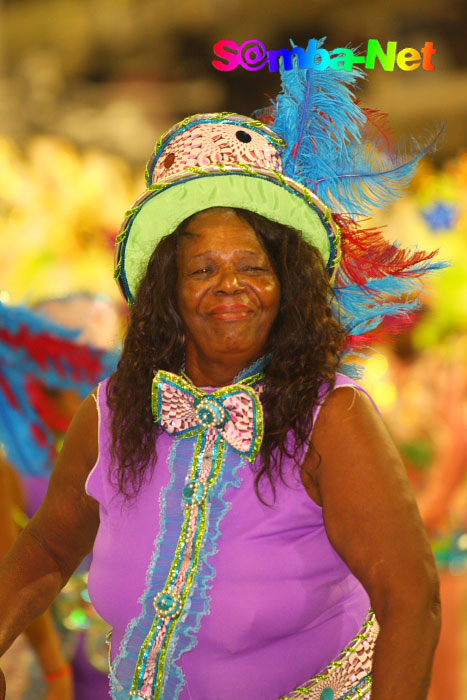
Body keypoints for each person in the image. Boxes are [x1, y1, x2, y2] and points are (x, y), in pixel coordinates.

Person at [0, 44, 442, 700]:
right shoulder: (111, 410)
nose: (229, 285)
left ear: (286, 284)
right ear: (166, 290)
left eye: (253, 266)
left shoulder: (333, 418)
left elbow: (411, 600)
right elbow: (47, 549)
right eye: (202, 269)